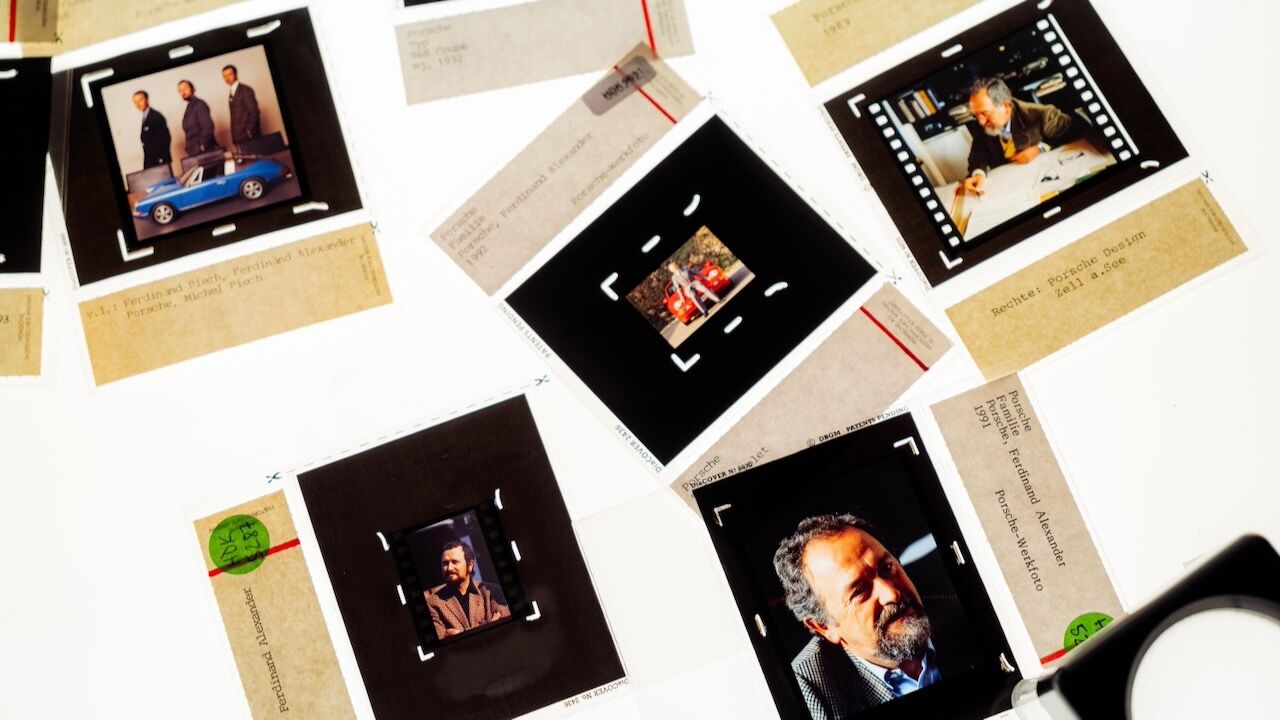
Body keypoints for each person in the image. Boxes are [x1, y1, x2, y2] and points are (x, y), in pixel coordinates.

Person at [774, 514, 941, 719]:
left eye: (887, 568)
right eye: (860, 591)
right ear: (824, 627)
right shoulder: (808, 691)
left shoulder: (960, 608)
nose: (891, 594)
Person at [961, 76, 1073, 197]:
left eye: (985, 113)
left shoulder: (1042, 114)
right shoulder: (981, 124)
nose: (981, 122)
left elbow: (1075, 131)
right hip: (1011, 187)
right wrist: (978, 174)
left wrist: (1040, 148)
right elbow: (977, 154)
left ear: (1006, 106)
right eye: (976, 115)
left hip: (1045, 179)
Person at [423, 539, 510, 638]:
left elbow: (506, 622)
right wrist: (488, 624)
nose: (449, 568)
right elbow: (440, 638)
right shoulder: (433, 603)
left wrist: (459, 634)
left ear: (470, 565)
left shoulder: (490, 591)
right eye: (445, 563)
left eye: (455, 562)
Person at [222, 64, 261, 145]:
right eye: (224, 76)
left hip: (249, 136)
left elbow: (254, 112)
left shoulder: (245, 90)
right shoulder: (232, 91)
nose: (227, 78)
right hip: (239, 137)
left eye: (229, 74)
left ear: (236, 74)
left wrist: (249, 131)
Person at [132, 90, 171, 169]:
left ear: (147, 99)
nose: (138, 104)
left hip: (159, 161)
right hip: (150, 161)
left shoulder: (155, 116)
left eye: (140, 100)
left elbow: (165, 138)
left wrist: (161, 159)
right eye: (135, 102)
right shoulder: (145, 117)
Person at [177, 80, 216, 157]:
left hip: (204, 151)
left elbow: (208, 126)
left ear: (192, 88)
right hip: (194, 151)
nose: (183, 92)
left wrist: (202, 145)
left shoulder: (199, 104)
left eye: (185, 88)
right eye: (180, 90)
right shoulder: (189, 107)